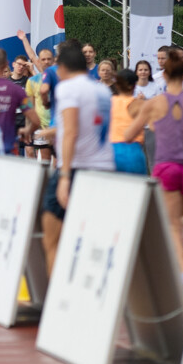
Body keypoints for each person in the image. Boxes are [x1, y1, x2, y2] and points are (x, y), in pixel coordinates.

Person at [124, 51, 183, 291]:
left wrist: (138, 112)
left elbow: (128, 135)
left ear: (164, 75)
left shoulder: (155, 103)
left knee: (171, 224)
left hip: (166, 167)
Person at [43, 44, 115, 276]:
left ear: (61, 67)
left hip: (76, 168)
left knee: (51, 238)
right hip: (103, 167)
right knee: (92, 236)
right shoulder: (102, 91)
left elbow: (73, 131)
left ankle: (56, 295)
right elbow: (90, 126)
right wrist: (56, 132)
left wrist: (64, 175)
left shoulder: (67, 89)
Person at [0, 47, 38, 156]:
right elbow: (35, 119)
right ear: (6, 63)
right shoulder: (16, 90)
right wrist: (28, 130)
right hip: (7, 149)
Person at [108, 68, 147, 174]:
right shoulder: (139, 104)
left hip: (110, 151)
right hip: (132, 150)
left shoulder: (108, 102)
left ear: (116, 85)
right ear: (134, 85)